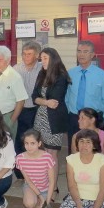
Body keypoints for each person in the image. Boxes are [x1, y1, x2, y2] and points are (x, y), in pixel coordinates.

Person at [32, 47, 70, 192]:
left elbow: (55, 99)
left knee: (52, 153)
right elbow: (34, 96)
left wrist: (43, 101)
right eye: (41, 58)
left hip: (54, 120)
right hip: (40, 117)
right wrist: (45, 102)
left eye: (45, 58)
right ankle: (43, 183)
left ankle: (53, 186)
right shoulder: (41, 74)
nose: (42, 61)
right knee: (41, 151)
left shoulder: (61, 76)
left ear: (53, 58)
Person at [58, 129, 104, 208]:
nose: (84, 145)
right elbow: (72, 186)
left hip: (98, 199)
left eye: (88, 142)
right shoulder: (71, 159)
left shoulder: (103, 160)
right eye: (81, 141)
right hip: (79, 197)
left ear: (94, 145)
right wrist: (78, 204)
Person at [65, 40, 104, 148]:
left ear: (92, 55)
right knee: (74, 149)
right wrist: (68, 114)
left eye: (85, 52)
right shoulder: (70, 73)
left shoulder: (102, 75)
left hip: (94, 118)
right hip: (74, 117)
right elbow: (67, 96)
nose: (81, 54)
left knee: (95, 150)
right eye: (79, 51)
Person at [13, 41, 43, 180]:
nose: (26, 57)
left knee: (36, 141)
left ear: (37, 55)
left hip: (38, 109)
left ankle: (36, 171)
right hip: (21, 110)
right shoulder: (16, 69)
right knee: (20, 140)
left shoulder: (43, 69)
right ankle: (20, 172)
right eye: (24, 54)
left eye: (29, 54)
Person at [16, 129, 56, 208]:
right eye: (26, 143)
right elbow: (28, 181)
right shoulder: (20, 158)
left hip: (46, 188)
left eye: (32, 143)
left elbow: (52, 181)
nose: (29, 147)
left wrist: (46, 201)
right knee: (29, 203)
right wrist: (40, 196)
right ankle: (37, 204)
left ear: (39, 143)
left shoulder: (47, 157)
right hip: (30, 186)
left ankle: (47, 203)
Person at [0, 46, 28, 140]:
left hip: (5, 117)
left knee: (5, 148)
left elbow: (21, 101)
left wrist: (11, 121)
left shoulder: (15, 77)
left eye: (0, 60)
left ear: (8, 61)